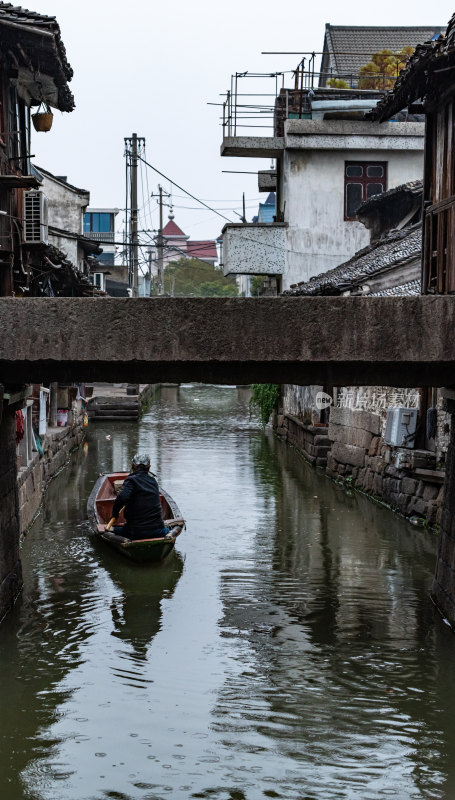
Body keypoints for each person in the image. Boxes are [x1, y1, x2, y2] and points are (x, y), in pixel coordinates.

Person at [111, 452, 169, 540]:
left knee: (112, 530)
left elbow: (122, 498)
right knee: (167, 530)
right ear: (149, 467)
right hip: (158, 531)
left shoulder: (131, 481)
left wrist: (115, 514)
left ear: (132, 466)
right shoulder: (153, 482)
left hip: (134, 532)